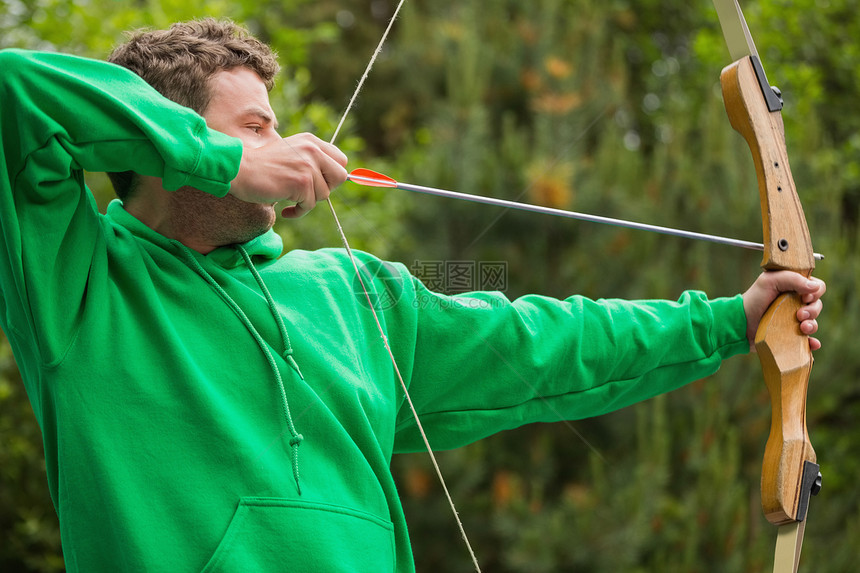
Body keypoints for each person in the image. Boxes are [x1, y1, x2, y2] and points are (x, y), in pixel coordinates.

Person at [0, 18, 824, 573]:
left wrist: (732, 319)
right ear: (160, 137)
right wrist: (226, 162)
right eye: (253, 125)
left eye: (274, 124)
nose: (284, 143)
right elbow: (16, 94)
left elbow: (539, 339)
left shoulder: (347, 292)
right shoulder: (77, 283)